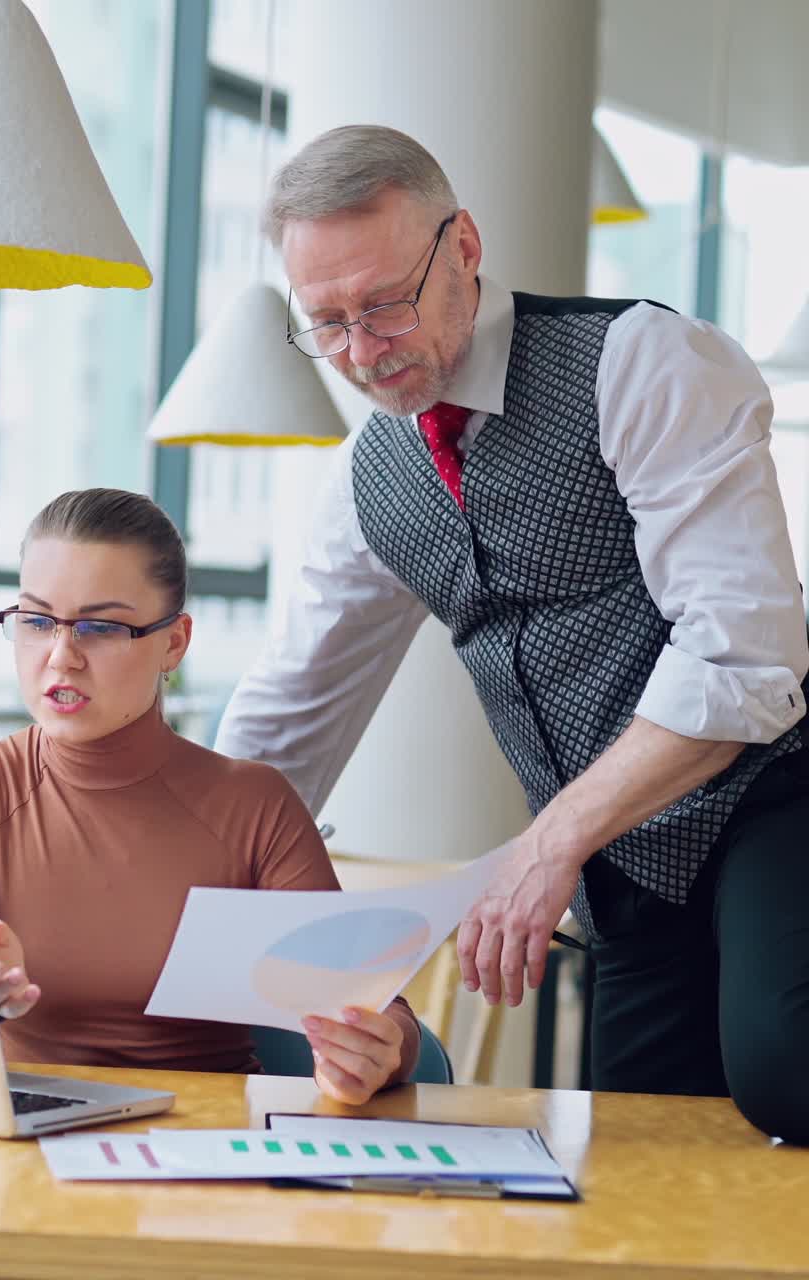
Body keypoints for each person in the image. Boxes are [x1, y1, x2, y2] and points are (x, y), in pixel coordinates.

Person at [215, 125, 809, 1141]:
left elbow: (743, 655)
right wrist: (179, 865)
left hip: (772, 795)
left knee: (782, 1064)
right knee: (642, 1166)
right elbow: (289, 708)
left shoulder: (640, 361)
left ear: (463, 246)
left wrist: (548, 840)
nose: (361, 350)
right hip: (628, 871)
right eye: (327, 323)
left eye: (384, 302)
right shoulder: (368, 482)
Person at [0, 487, 420, 1104]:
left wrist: (379, 1049)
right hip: (18, 1133)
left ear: (174, 642)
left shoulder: (252, 804)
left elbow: (381, 1011)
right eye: (37, 621)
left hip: (204, 1145)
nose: (61, 658)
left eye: (100, 627)